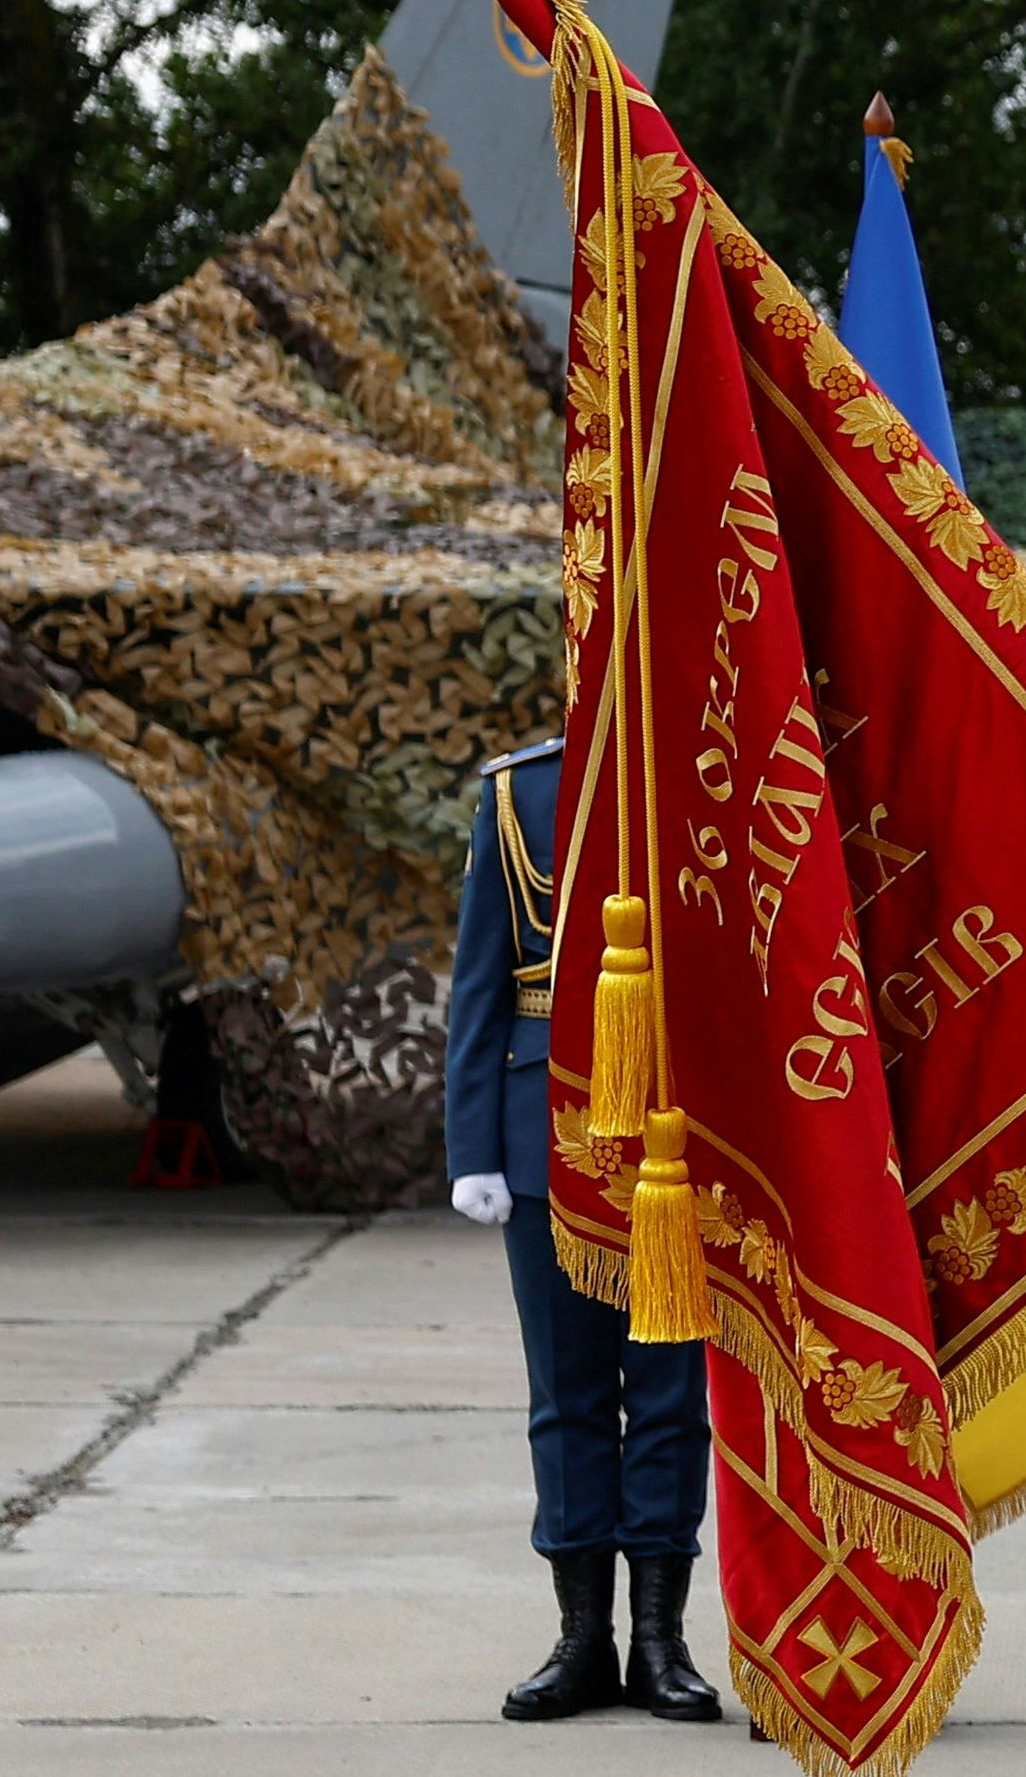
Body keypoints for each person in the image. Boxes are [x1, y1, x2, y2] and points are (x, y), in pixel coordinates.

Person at [443, 738, 720, 1724]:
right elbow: (481, 979)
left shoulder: (708, 766)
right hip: (539, 1130)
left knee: (668, 1391)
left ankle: (660, 1640)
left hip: (676, 1133)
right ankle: (580, 1639)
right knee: (564, 1390)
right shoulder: (521, 789)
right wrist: (472, 1144)